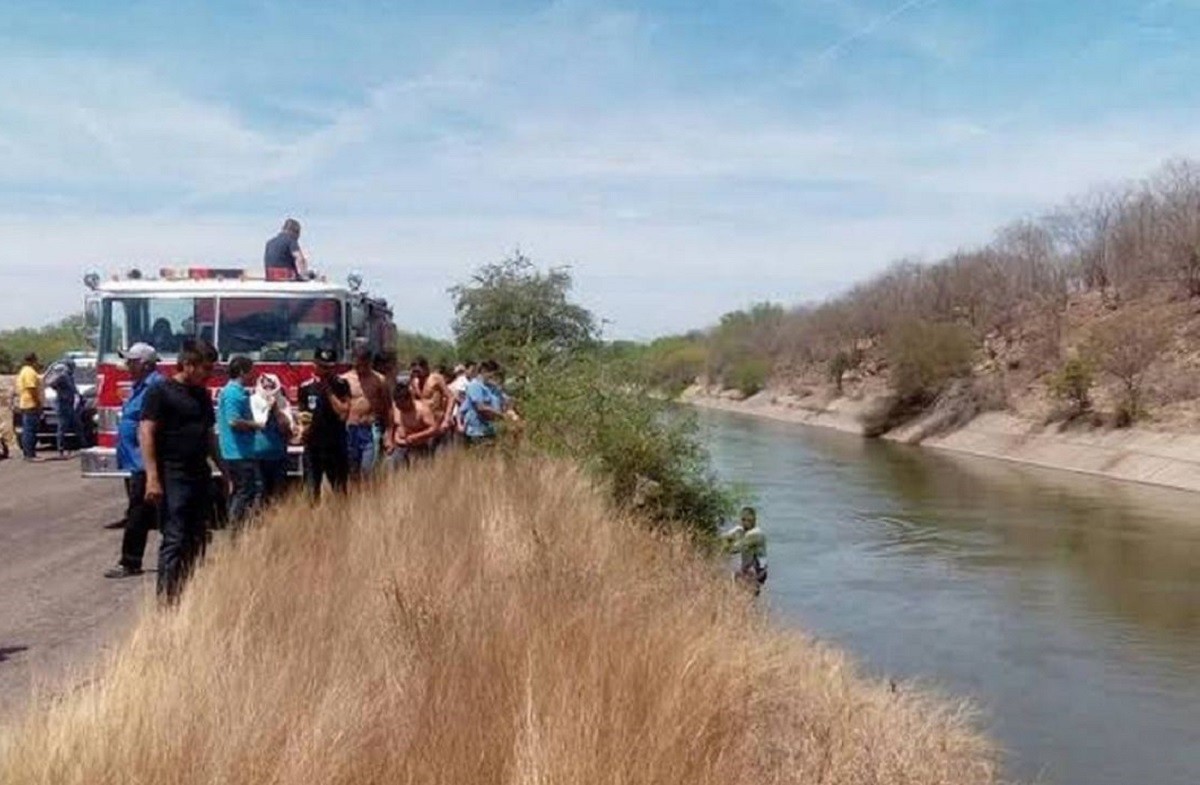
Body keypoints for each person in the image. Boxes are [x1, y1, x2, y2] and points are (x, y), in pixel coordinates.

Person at [141, 338, 226, 601]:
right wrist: (152, 477)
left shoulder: (201, 394)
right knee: (174, 537)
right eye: (205, 369)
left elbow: (209, 435)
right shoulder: (160, 391)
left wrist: (224, 469)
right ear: (188, 364)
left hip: (199, 473)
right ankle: (167, 599)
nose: (209, 375)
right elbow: (146, 431)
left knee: (198, 535)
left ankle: (187, 591)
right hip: (172, 473)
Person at [104, 343, 164, 579]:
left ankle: (130, 561)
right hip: (135, 463)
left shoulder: (156, 388)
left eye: (132, 361)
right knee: (148, 511)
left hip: (146, 464)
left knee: (138, 512)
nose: (128, 365)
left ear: (146, 364)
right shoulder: (140, 387)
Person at [298, 347, 351, 499]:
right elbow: (304, 414)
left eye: (329, 367)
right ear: (314, 364)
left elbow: (343, 413)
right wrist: (303, 429)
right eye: (322, 366)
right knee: (310, 490)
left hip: (335, 445)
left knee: (340, 491)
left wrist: (328, 391)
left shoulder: (342, 385)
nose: (325, 370)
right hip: (313, 446)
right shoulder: (305, 387)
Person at [216, 356, 262, 528]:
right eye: (251, 370)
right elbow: (233, 421)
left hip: (242, 450)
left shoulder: (239, 392)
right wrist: (255, 425)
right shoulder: (233, 393)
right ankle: (235, 526)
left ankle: (239, 524)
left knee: (243, 490)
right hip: (237, 452)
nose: (254, 375)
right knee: (243, 491)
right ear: (242, 371)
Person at [341, 345, 392, 478]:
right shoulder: (344, 380)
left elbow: (388, 407)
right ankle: (355, 497)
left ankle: (370, 495)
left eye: (364, 364)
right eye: (357, 364)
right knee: (352, 470)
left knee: (367, 469)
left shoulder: (379, 380)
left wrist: (389, 433)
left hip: (370, 430)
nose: (361, 368)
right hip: (350, 429)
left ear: (369, 362)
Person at [251, 373, 294, 504]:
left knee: (278, 494)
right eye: (266, 386)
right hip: (256, 455)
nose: (268, 390)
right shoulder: (252, 401)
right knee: (259, 492)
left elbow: (287, 428)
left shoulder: (283, 402)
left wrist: (275, 409)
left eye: (271, 387)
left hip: (278, 456)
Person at [390, 383, 439, 468]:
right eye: (397, 405)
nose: (400, 407)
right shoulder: (396, 408)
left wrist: (416, 436)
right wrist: (390, 440)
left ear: (409, 399)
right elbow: (392, 424)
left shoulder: (422, 409)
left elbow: (434, 428)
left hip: (419, 447)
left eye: (402, 405)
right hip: (400, 447)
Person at [459, 360, 506, 447]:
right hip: (478, 432)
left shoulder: (493, 388)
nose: (494, 377)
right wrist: (502, 416)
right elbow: (480, 407)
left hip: (492, 430)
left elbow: (503, 402)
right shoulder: (475, 386)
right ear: (484, 371)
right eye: (492, 374)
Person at [723, 506, 768, 595]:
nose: (745, 522)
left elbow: (734, 549)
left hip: (758, 571)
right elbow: (723, 538)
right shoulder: (740, 530)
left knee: (744, 592)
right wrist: (728, 539)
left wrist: (729, 543)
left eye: (749, 520)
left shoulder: (756, 534)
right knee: (735, 579)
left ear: (754, 520)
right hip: (747, 568)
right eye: (743, 519)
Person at [44, 357, 81, 457]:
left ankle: (83, 446)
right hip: (63, 404)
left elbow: (73, 388)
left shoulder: (69, 376)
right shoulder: (62, 376)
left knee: (77, 426)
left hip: (70, 404)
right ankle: (61, 449)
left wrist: (78, 395)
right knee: (62, 427)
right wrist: (59, 391)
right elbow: (50, 383)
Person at [410, 356, 453, 440]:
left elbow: (451, 397)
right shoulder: (415, 382)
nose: (417, 374)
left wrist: (447, 418)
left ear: (425, 368)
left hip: (438, 420)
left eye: (418, 371)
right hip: (424, 424)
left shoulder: (436, 378)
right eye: (414, 371)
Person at [16, 353, 41, 461]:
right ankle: (30, 454)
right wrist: (37, 401)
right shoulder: (29, 372)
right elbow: (31, 388)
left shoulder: (23, 371)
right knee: (30, 430)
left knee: (29, 429)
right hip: (30, 403)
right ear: (33, 360)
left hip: (25, 403)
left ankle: (29, 453)